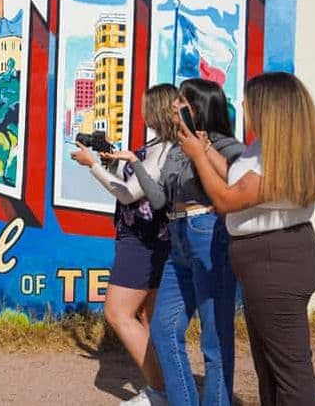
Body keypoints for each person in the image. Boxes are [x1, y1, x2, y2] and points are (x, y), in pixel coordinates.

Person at [178, 72, 315, 406]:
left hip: (276, 264)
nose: (244, 105)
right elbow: (236, 181)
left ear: (271, 108)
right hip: (266, 263)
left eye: (250, 100)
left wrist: (195, 156)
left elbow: (225, 199)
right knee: (270, 366)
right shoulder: (264, 147)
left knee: (290, 371)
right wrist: (206, 150)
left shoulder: (280, 158)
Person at [104, 78, 243, 406]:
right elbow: (158, 200)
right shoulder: (175, 150)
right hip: (178, 238)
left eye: (181, 101)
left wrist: (203, 150)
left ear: (199, 107)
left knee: (214, 336)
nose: (173, 106)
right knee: (164, 331)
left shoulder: (224, 144)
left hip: (208, 233)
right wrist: (135, 164)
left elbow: (235, 181)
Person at [71, 84, 177, 406]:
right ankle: (168, 389)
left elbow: (129, 193)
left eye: (147, 107)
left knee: (118, 313)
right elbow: (134, 184)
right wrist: (113, 163)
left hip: (144, 241)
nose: (143, 112)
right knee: (149, 319)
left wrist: (94, 166)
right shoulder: (158, 145)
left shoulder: (164, 149)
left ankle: (161, 392)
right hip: (149, 239)